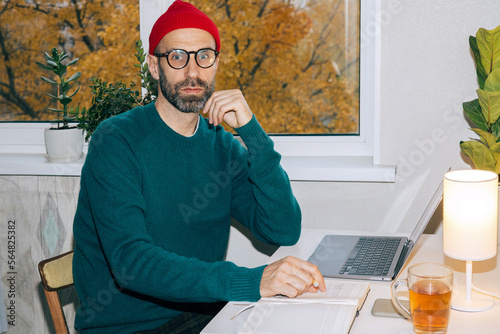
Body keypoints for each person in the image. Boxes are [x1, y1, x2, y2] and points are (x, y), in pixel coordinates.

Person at [72, 1, 325, 333]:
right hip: (129, 327)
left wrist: (253, 134)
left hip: (206, 319)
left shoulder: (222, 147)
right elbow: (131, 263)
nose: (193, 72)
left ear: (216, 63)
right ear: (153, 65)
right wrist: (252, 280)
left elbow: (282, 229)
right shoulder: (117, 141)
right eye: (177, 57)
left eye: (204, 56)